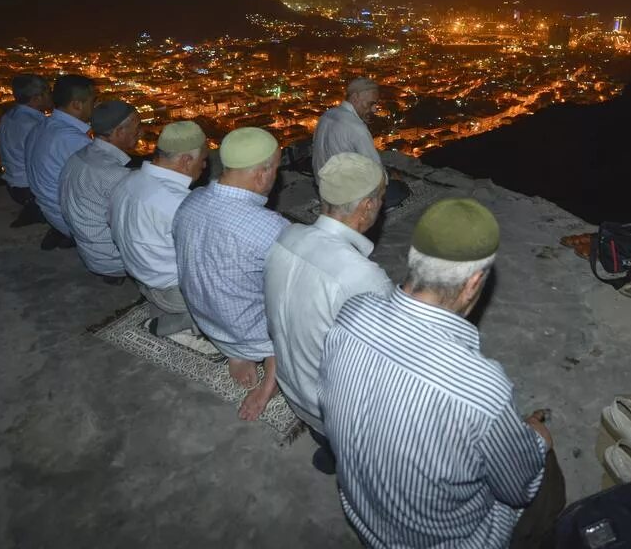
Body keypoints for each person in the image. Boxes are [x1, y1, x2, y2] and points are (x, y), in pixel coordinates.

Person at [319, 198, 565, 549]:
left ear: (414, 259)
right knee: (542, 469)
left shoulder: (351, 315)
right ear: (473, 283)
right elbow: (517, 488)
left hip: (362, 517)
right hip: (445, 541)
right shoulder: (482, 387)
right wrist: (536, 439)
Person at [264, 152, 391, 473]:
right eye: (380, 199)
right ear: (367, 205)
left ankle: (329, 448)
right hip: (329, 410)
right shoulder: (362, 276)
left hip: (291, 388)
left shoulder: (286, 235)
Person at [174, 127, 287, 421]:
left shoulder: (190, 201)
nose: (277, 176)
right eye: (276, 168)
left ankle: (236, 353)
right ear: (262, 174)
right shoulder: (271, 227)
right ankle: (269, 385)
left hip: (208, 321)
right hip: (250, 330)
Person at [108, 121, 206, 337]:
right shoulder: (179, 203)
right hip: (170, 291)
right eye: (203, 159)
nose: (205, 166)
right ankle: (184, 319)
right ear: (186, 160)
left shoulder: (127, 180)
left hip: (140, 278)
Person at [59, 101, 140, 284]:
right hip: (111, 259)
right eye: (136, 128)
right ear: (119, 132)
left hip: (89, 251)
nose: (140, 133)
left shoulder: (78, 156)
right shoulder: (115, 174)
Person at [312, 78, 409, 210]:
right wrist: (392, 178)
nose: (374, 109)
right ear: (355, 97)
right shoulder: (356, 127)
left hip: (323, 189)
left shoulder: (326, 116)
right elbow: (377, 174)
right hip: (345, 198)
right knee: (400, 189)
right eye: (370, 104)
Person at [24, 74, 95, 250]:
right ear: (77, 104)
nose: (96, 106)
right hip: (71, 220)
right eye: (93, 101)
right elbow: (98, 185)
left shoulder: (41, 126)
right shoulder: (72, 139)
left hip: (50, 212)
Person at [0, 74, 50, 226]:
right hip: (30, 189)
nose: (51, 96)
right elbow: (46, 164)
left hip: (14, 186)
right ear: (36, 98)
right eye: (47, 92)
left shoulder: (9, 116)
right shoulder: (35, 124)